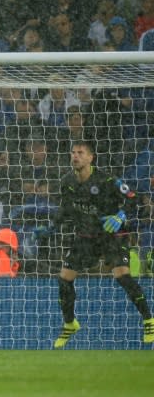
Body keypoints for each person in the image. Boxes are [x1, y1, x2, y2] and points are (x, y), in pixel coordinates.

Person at [52, 140, 154, 348]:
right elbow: (65, 209)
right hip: (86, 237)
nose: (75, 156)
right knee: (64, 278)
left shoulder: (107, 180)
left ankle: (149, 320)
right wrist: (51, 227)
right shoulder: (67, 181)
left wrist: (120, 215)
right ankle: (70, 323)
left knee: (122, 275)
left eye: (80, 153)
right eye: (73, 153)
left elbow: (133, 198)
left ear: (91, 158)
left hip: (111, 236)